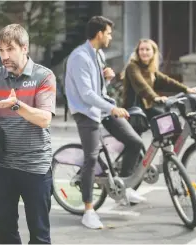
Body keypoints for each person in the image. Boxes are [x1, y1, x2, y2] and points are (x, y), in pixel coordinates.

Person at [64, 16, 146, 229]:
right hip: (86, 112)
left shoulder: (98, 54)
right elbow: (86, 94)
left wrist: (106, 77)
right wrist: (112, 107)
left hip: (102, 109)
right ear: (99, 33)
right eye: (108, 33)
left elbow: (97, 87)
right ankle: (88, 211)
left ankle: (124, 187)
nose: (110, 37)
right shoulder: (80, 57)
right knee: (92, 158)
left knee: (135, 142)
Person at [0, 24, 56, 244]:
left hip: (35, 167)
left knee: (40, 236)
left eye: (10, 49)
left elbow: (45, 119)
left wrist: (17, 106)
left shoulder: (43, 76)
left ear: (25, 48)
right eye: (1, 50)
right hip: (1, 167)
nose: (4, 56)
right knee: (6, 235)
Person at [122, 38, 196, 121]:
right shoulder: (132, 67)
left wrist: (186, 89)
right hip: (133, 111)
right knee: (165, 123)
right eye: (141, 49)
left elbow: (166, 81)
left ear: (153, 52)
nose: (144, 52)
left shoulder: (150, 69)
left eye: (147, 49)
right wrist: (155, 97)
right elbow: (141, 84)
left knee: (168, 121)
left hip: (146, 109)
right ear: (138, 52)